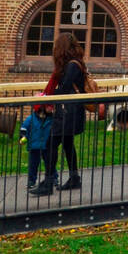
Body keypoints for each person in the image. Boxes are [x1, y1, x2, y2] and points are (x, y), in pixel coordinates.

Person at [29, 32, 87, 197]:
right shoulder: (76, 64)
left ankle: (48, 182)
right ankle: (74, 178)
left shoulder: (72, 66)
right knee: (68, 145)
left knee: (49, 145)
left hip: (68, 113)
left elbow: (64, 89)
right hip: (71, 111)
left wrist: (46, 97)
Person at [19, 105, 52, 188]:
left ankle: (54, 178)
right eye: (48, 106)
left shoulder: (51, 118)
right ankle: (31, 181)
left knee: (50, 163)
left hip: (47, 146)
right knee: (33, 165)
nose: (51, 108)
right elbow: (24, 128)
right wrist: (23, 136)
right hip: (34, 146)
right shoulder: (31, 118)